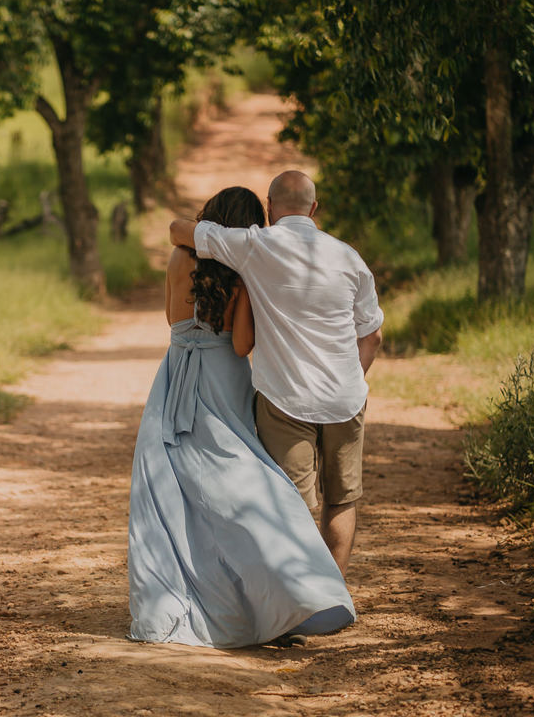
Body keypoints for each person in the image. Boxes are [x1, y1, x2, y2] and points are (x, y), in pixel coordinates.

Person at [128, 186, 355, 649]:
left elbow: (171, 322)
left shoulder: (176, 261)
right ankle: (282, 594)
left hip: (174, 375)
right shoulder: (242, 273)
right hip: (224, 379)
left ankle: (178, 595)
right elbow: (240, 345)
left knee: (173, 489)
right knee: (244, 482)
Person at [168, 170, 384, 575]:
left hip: (287, 399)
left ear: (269, 209)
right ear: (314, 208)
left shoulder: (256, 245)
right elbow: (372, 335)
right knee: (341, 499)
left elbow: (180, 230)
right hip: (345, 397)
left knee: (293, 501)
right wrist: (350, 379)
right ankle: (333, 590)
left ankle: (304, 601)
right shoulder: (349, 256)